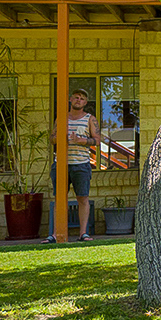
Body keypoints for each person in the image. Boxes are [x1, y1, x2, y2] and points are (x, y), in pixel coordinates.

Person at [44, 88, 103, 243]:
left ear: (86, 102)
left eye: (82, 98)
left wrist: (82, 141)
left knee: (82, 198)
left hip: (81, 164)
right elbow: (52, 138)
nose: (79, 100)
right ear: (70, 99)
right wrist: (59, 138)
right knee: (59, 199)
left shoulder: (90, 119)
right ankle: (56, 234)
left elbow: (97, 140)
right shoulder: (62, 118)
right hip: (61, 164)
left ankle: (83, 233)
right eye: (76, 97)